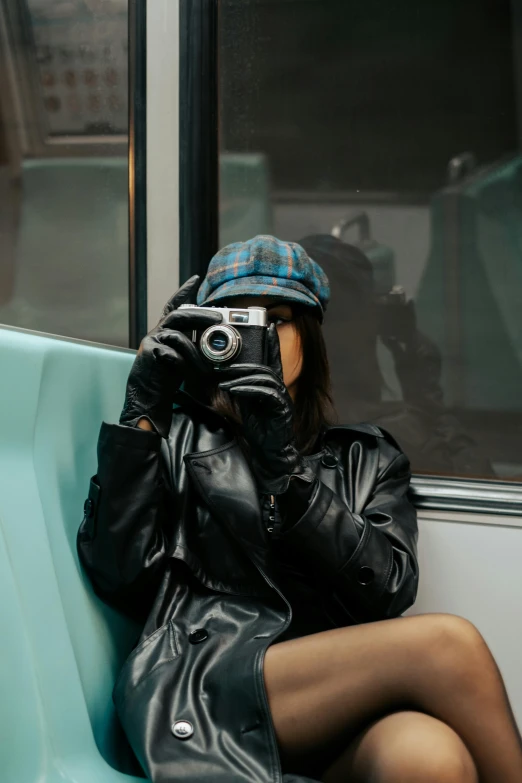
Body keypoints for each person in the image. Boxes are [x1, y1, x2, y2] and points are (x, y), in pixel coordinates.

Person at [77, 235, 522, 783]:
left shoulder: (368, 458)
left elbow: (388, 591)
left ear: (310, 336)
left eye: (280, 319)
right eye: (242, 318)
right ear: (211, 332)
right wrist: (141, 415)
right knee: (448, 643)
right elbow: (120, 577)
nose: (260, 335)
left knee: (428, 754)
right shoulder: (181, 439)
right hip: (209, 684)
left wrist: (287, 479)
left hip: (337, 707)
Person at [298, 233, 494, 478]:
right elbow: (480, 482)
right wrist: (420, 373)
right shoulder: (390, 437)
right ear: (363, 327)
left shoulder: (271, 420)